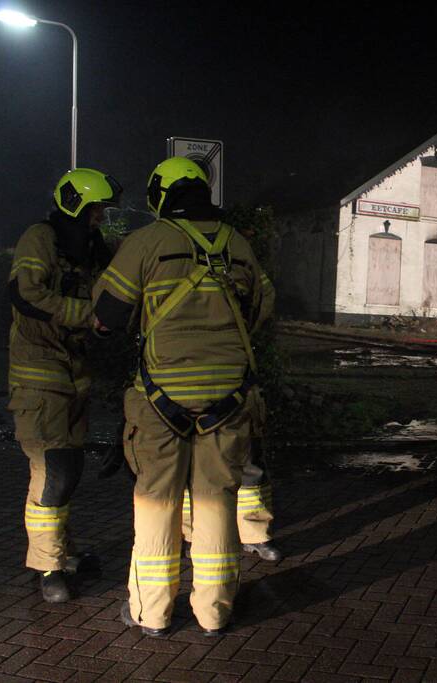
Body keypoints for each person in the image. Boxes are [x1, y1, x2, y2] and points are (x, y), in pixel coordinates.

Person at [91, 156, 273, 637]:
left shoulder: (147, 241)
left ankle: (152, 614)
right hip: (229, 401)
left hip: (160, 400)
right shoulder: (237, 244)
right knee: (217, 504)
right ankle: (214, 613)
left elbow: (106, 315)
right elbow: (261, 307)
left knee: (157, 504)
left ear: (159, 194)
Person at [7, 168, 120, 602]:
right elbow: (27, 294)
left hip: (74, 375)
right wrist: (84, 314)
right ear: (76, 205)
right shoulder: (40, 238)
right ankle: (48, 566)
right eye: (95, 210)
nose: (99, 219)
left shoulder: (89, 248)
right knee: (52, 473)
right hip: (38, 376)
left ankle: (64, 553)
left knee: (68, 472)